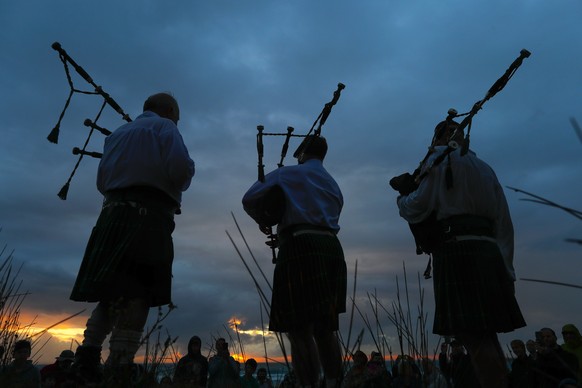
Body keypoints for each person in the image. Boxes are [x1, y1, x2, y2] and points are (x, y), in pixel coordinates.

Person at [69, 92, 195, 383]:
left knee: (110, 293)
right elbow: (179, 172)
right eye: (177, 115)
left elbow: (102, 182)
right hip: (147, 216)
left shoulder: (116, 134)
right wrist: (189, 170)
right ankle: (119, 365)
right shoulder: (166, 128)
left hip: (111, 215)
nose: (178, 121)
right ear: (169, 110)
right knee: (138, 293)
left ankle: (87, 357)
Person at [394, 118, 526, 387]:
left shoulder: (439, 160)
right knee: (486, 335)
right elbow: (504, 223)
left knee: (472, 335)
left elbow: (418, 205)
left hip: (456, 251)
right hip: (489, 252)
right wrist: (508, 269)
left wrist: (402, 199)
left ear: (438, 139)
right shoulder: (485, 168)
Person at [242, 135, 347, 388]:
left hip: (300, 247)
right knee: (325, 328)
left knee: (299, 330)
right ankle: (333, 383)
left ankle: (308, 385)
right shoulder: (334, 185)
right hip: (332, 248)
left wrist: (265, 219)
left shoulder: (288, 174)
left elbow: (249, 199)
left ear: (301, 154)